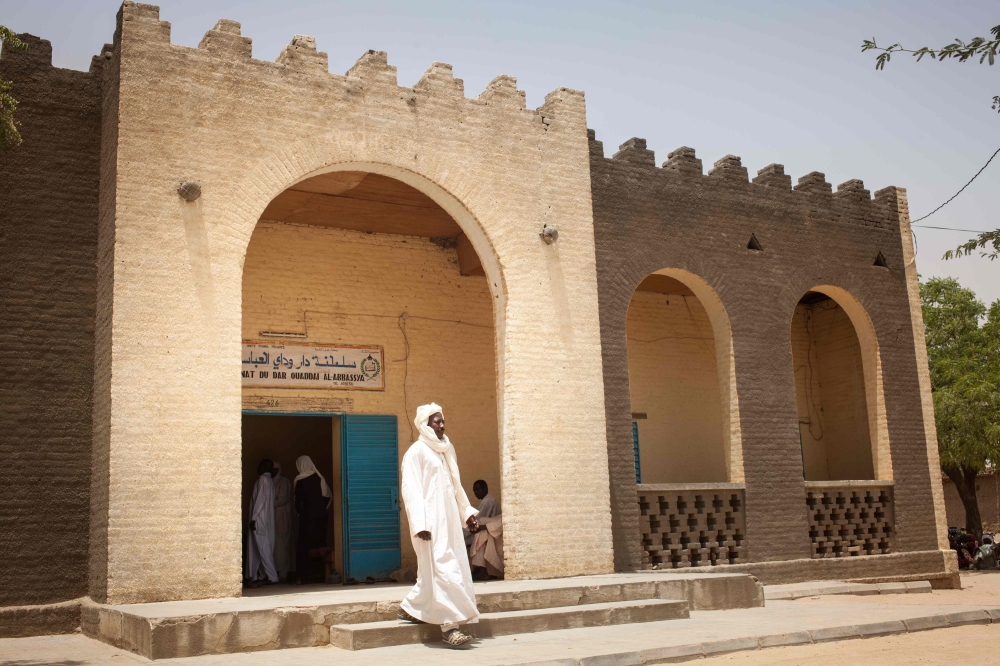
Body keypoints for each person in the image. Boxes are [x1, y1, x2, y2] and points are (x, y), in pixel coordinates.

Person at [398, 404, 480, 647]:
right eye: (437, 422)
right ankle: (449, 627)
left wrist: (467, 514)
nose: (442, 426)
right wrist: (420, 523)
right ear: (425, 425)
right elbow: (411, 491)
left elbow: (456, 483)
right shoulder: (416, 452)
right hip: (430, 524)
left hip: (450, 520)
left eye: (443, 421)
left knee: (433, 571)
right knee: (444, 569)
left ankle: (411, 607)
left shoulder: (446, 448)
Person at [294, 455, 331, 584]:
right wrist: (321, 508)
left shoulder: (299, 480)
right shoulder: (319, 478)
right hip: (321, 516)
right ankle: (320, 574)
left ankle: (305, 575)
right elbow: (327, 496)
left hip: (307, 517)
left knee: (306, 545)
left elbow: (297, 502)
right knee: (319, 542)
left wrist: (300, 513)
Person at [245, 459, 279, 586]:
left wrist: (254, 518)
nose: (258, 467)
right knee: (260, 547)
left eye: (260, 465)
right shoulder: (269, 481)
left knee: (263, 549)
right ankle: (258, 575)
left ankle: (272, 576)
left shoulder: (262, 480)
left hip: (259, 519)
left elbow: (260, 500)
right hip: (266, 519)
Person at [468, 480, 503, 579]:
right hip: (491, 530)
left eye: (478, 489)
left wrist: (474, 527)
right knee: (481, 532)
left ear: (485, 489)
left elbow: (479, 519)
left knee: (479, 534)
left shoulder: (488, 501)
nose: (476, 492)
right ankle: (480, 569)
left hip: (495, 532)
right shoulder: (488, 500)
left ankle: (482, 570)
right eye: (474, 490)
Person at [272, 461, 295, 581]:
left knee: (282, 546)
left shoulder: (283, 481)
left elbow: (282, 499)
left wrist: (268, 504)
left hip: (282, 517)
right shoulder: (270, 482)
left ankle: (283, 573)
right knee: (275, 546)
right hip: (273, 517)